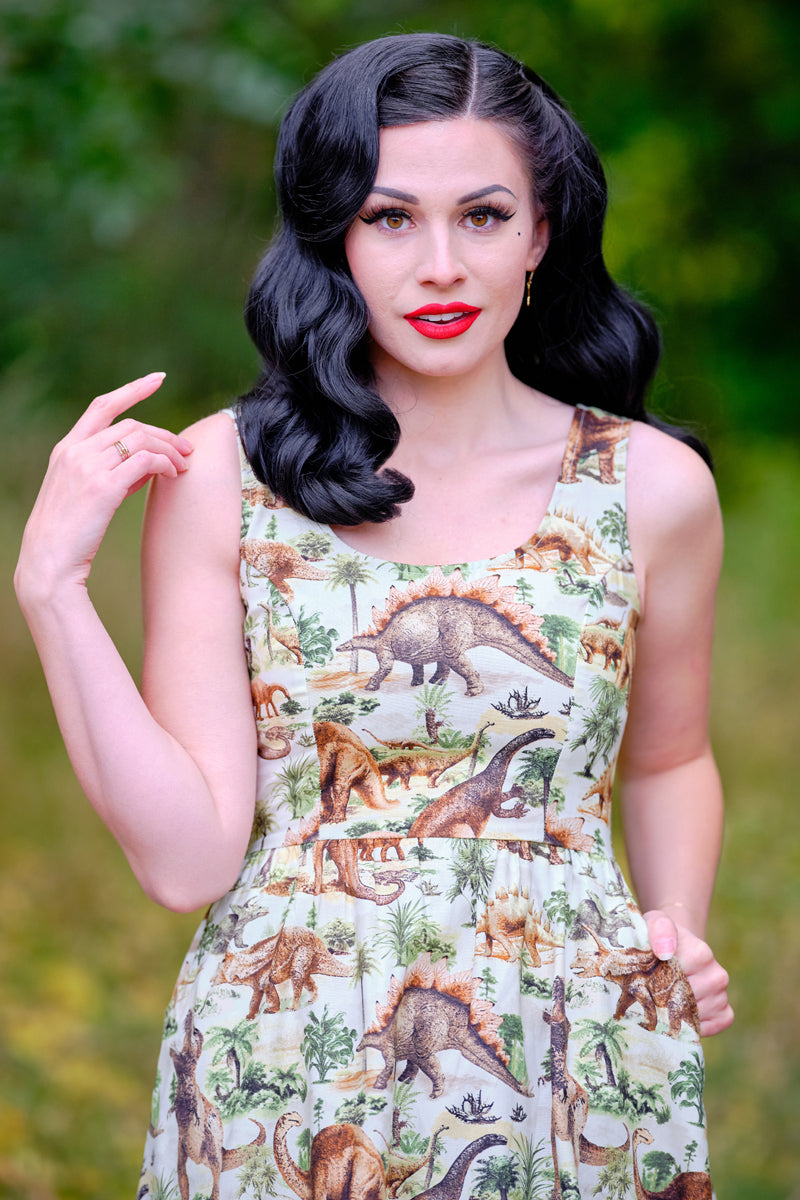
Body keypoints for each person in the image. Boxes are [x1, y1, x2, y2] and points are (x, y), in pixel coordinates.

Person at [15, 32, 733, 1200]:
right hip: (281, 1057)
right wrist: (51, 590)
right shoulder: (224, 477)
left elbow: (666, 758)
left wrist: (673, 929)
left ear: (540, 234)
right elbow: (187, 859)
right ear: (333, 236)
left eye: (483, 216)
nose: (439, 264)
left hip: (574, 1043)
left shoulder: (647, 489)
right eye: (390, 217)